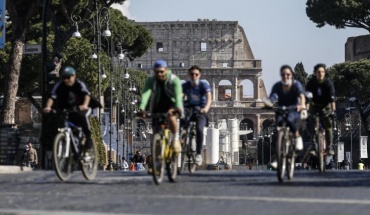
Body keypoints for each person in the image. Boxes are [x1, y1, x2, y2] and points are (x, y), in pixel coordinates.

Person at [43, 66, 93, 155]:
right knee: (60, 123)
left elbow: (87, 95)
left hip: (81, 108)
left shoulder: (79, 84)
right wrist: (48, 107)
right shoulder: (59, 85)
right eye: (64, 77)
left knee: (82, 117)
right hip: (67, 110)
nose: (66, 80)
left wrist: (84, 105)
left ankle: (88, 138)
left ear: (74, 76)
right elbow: (52, 97)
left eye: (68, 77)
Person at [138, 59, 183, 154]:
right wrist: (142, 108)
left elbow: (178, 95)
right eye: (156, 72)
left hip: (171, 104)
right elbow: (145, 94)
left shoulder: (174, 80)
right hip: (157, 105)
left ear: (166, 70)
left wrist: (178, 107)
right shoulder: (151, 80)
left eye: (161, 72)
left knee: (171, 118)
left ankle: (175, 138)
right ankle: (157, 158)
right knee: (155, 131)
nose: (159, 74)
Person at [266, 65, 306, 168]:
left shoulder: (296, 85)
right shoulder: (277, 86)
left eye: (288, 74)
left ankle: (297, 137)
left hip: (293, 110)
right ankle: (278, 157)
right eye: (283, 74)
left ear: (291, 75)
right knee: (278, 130)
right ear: (281, 75)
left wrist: (302, 105)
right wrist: (269, 103)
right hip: (281, 110)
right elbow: (273, 96)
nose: (285, 76)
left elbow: (301, 95)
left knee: (289, 120)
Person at [182, 65, 212, 165]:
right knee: (181, 124)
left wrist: (206, 109)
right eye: (192, 74)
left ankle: (198, 153)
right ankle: (182, 142)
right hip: (189, 109)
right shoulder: (185, 85)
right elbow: (178, 96)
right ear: (188, 75)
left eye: (196, 74)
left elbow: (209, 98)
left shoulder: (203, 85)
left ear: (199, 75)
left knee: (199, 129)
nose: (194, 76)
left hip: (201, 110)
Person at [306, 63, 336, 156]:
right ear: (315, 73)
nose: (321, 74)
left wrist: (333, 111)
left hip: (325, 106)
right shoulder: (311, 83)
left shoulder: (328, 83)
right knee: (312, 124)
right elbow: (307, 99)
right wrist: (306, 111)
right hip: (314, 105)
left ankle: (329, 147)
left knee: (328, 126)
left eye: (322, 72)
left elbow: (332, 98)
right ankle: (313, 146)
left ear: (325, 72)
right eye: (319, 72)